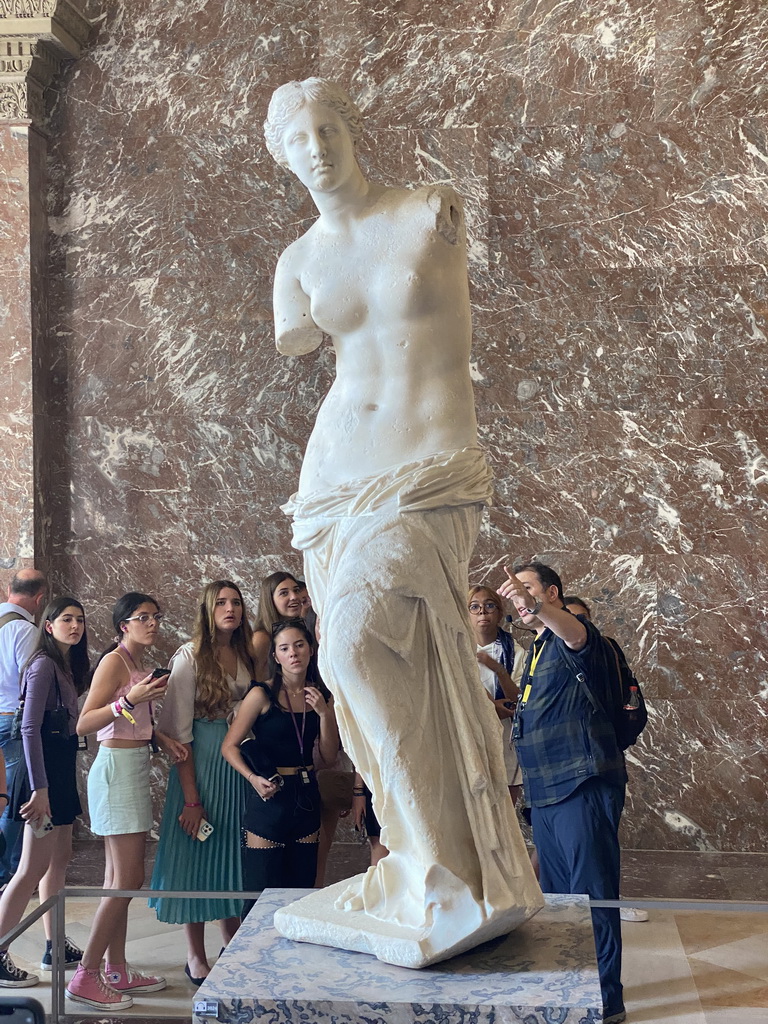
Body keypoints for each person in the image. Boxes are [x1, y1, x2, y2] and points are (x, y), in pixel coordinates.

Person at [264, 77, 541, 965]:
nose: (317, 146)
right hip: (336, 482)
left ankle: (438, 866)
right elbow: (311, 346)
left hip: (429, 472)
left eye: (328, 126)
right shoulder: (298, 264)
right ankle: (434, 862)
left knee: (347, 649)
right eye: (298, 137)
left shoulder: (429, 211)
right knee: (363, 666)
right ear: (283, 156)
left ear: (352, 129)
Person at [498, 562, 627, 1024]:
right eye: (514, 594)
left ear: (551, 593)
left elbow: (576, 634)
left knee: (591, 899)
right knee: (558, 905)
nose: (517, 598)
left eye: (526, 590)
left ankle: (603, 1002)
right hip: (546, 794)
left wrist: (538, 607)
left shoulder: (579, 639)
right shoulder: (535, 650)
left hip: (581, 785)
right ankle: (565, 993)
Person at [66, 592, 186, 1012]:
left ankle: (115, 968)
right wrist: (130, 701)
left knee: (119, 876)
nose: (152, 623)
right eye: (143, 617)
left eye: (156, 616)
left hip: (131, 765)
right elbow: (86, 721)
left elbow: (133, 723)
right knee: (127, 877)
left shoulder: (136, 664)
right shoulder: (115, 661)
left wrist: (161, 736)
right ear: (124, 625)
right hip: (116, 770)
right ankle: (86, 975)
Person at [149, 581, 255, 986]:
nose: (230, 609)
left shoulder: (244, 655)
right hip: (200, 763)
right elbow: (176, 730)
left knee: (230, 852)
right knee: (196, 853)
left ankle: (232, 939)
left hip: (235, 762)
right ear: (208, 611)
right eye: (222, 603)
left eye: (237, 602)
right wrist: (191, 797)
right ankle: (194, 955)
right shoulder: (189, 656)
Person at [221, 618, 338, 916]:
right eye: (285, 648)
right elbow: (229, 746)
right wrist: (252, 778)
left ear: (310, 649)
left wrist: (324, 715)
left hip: (306, 796)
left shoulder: (321, 696)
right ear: (276, 656)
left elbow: (326, 757)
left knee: (299, 892)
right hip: (269, 797)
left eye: (299, 645)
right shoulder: (262, 694)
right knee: (262, 893)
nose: (294, 653)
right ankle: (251, 959)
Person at [0, 597, 87, 987]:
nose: (74, 625)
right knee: (31, 867)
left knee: (60, 858)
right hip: (43, 776)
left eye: (79, 619)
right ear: (48, 625)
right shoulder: (42, 664)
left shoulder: (66, 665)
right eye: (65, 619)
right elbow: (29, 729)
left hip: (60, 770)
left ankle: (55, 944)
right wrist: (40, 789)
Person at [564, 595, 649, 926]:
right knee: (566, 848)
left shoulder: (605, 651)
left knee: (598, 845)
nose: (578, 626)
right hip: (558, 771)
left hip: (599, 765)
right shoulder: (549, 655)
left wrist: (615, 743)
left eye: (583, 619)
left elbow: (630, 701)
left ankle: (608, 905)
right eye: (570, 618)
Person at [0, 570, 47, 887]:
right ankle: (7, 873)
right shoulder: (24, 631)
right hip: (11, 721)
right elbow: (29, 686)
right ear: (40, 599)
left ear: (8, 589)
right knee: (16, 799)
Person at [467, 584, 525, 804]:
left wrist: (499, 670)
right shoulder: (456, 651)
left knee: (504, 812)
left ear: (499, 612)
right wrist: (490, 706)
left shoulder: (514, 651)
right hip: (470, 738)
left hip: (505, 739)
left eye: (489, 605)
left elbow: (519, 698)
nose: (482, 611)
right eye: (474, 607)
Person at [251, 572, 304, 681]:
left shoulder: (301, 630)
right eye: (284, 593)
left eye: (296, 590)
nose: (294, 597)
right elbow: (255, 682)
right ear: (270, 600)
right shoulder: (261, 638)